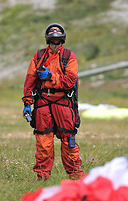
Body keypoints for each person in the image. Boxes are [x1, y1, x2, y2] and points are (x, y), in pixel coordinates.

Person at [22, 23, 85, 180]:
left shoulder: (69, 56)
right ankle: (42, 178)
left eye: (57, 42)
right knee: (43, 143)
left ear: (62, 42)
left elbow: (70, 80)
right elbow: (30, 81)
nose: (55, 45)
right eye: (52, 42)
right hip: (43, 103)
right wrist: (27, 104)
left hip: (64, 104)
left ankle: (76, 176)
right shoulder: (38, 56)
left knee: (69, 142)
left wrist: (51, 77)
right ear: (47, 41)